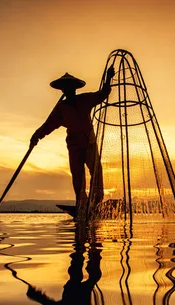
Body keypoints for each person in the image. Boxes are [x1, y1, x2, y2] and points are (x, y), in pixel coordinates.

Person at [30, 66, 115, 211]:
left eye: (71, 87)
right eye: (66, 88)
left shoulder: (85, 99)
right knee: (78, 177)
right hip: (74, 146)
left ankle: (96, 204)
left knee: (96, 173)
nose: (69, 90)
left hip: (89, 143)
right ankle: (81, 204)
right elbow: (48, 125)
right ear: (63, 90)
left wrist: (108, 78)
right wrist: (36, 136)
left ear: (75, 89)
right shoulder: (61, 108)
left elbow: (102, 94)